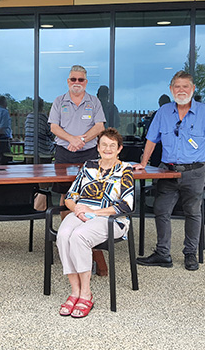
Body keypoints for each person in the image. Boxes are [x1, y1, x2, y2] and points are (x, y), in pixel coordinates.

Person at [134, 70, 205, 271]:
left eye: (186, 86)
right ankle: (162, 253)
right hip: (168, 171)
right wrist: (143, 162)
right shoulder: (164, 112)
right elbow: (151, 139)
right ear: (171, 89)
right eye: (177, 86)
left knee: (193, 213)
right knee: (161, 210)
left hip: (195, 172)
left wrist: (200, 158)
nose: (181, 90)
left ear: (193, 89)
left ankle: (190, 254)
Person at [56, 128, 134, 318]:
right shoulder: (88, 165)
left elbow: (127, 205)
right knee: (63, 235)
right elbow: (70, 196)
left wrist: (94, 212)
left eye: (112, 146)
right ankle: (75, 291)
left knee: (79, 236)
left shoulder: (125, 170)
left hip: (110, 218)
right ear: (98, 148)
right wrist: (77, 210)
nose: (108, 149)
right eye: (104, 145)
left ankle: (86, 294)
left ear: (119, 149)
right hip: (81, 212)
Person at [49, 65, 107, 275]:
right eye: (73, 79)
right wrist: (71, 140)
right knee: (66, 193)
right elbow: (54, 127)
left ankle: (86, 238)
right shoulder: (59, 101)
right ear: (68, 81)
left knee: (90, 195)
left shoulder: (94, 101)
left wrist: (81, 140)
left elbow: (100, 127)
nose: (77, 82)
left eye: (81, 79)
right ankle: (68, 238)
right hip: (64, 152)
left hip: (87, 152)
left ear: (86, 82)